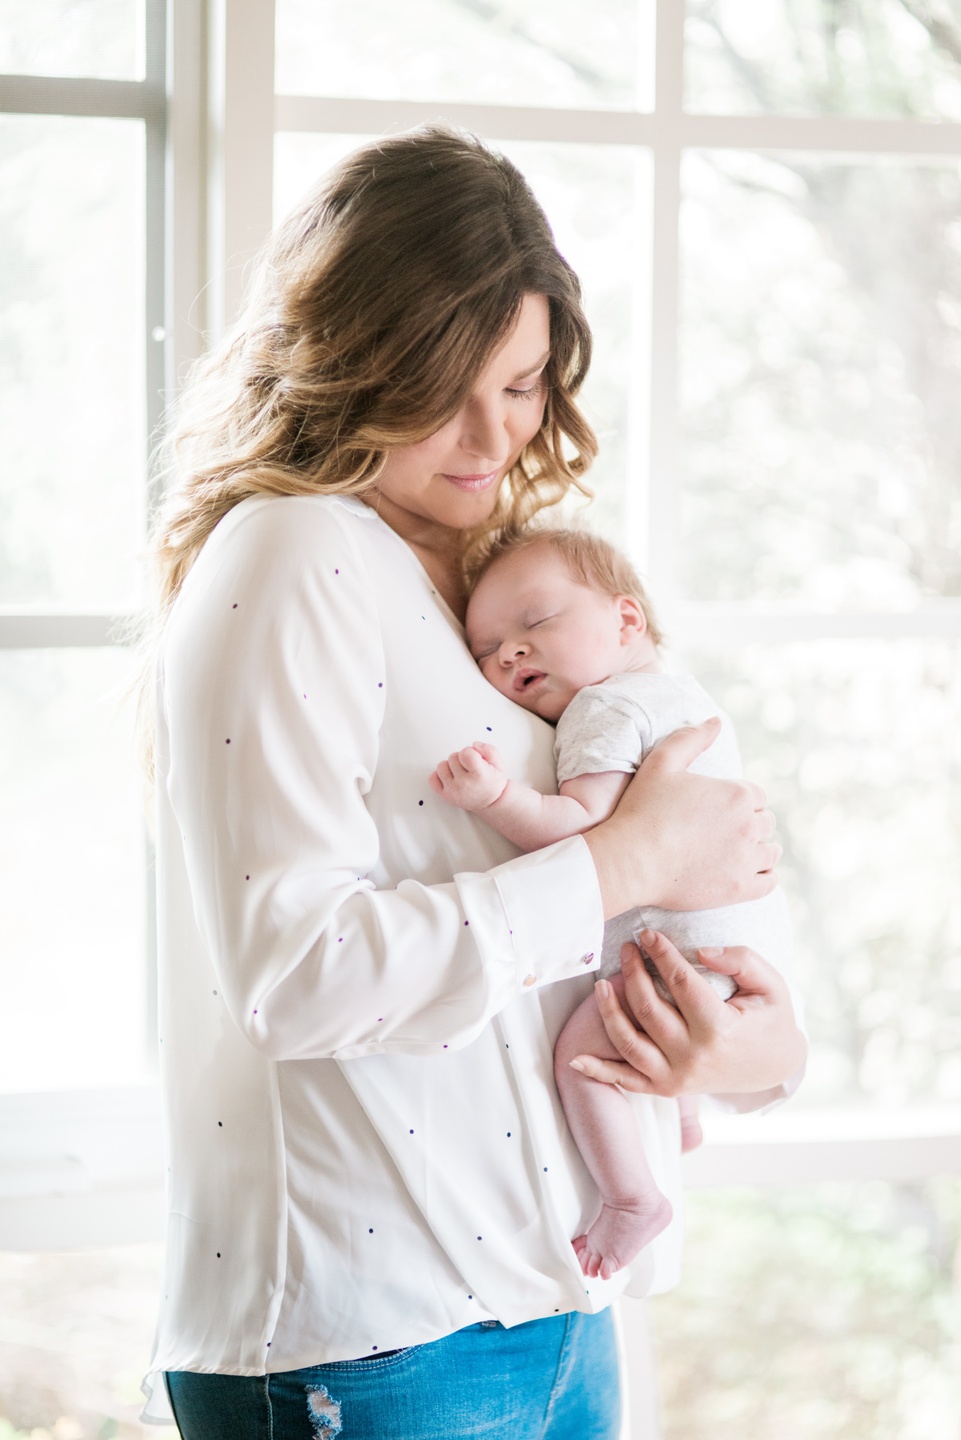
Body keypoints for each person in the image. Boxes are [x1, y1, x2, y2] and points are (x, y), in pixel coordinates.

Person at [141, 125, 805, 1440]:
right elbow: (296, 973)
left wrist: (740, 1048)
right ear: (352, 361)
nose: (494, 434)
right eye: (447, 388)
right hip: (374, 1344)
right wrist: (626, 859)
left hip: (557, 1309)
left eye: (522, 385)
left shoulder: (509, 582)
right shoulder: (294, 553)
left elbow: (632, 905)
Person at [430, 526, 794, 1284]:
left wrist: (495, 798)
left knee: (583, 1061)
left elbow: (580, 833)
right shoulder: (685, 697)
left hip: (669, 957)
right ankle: (681, 1116)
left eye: (536, 623)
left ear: (626, 619)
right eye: (487, 651)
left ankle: (632, 1198)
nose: (510, 653)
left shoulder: (603, 708)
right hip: (731, 948)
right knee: (644, 1039)